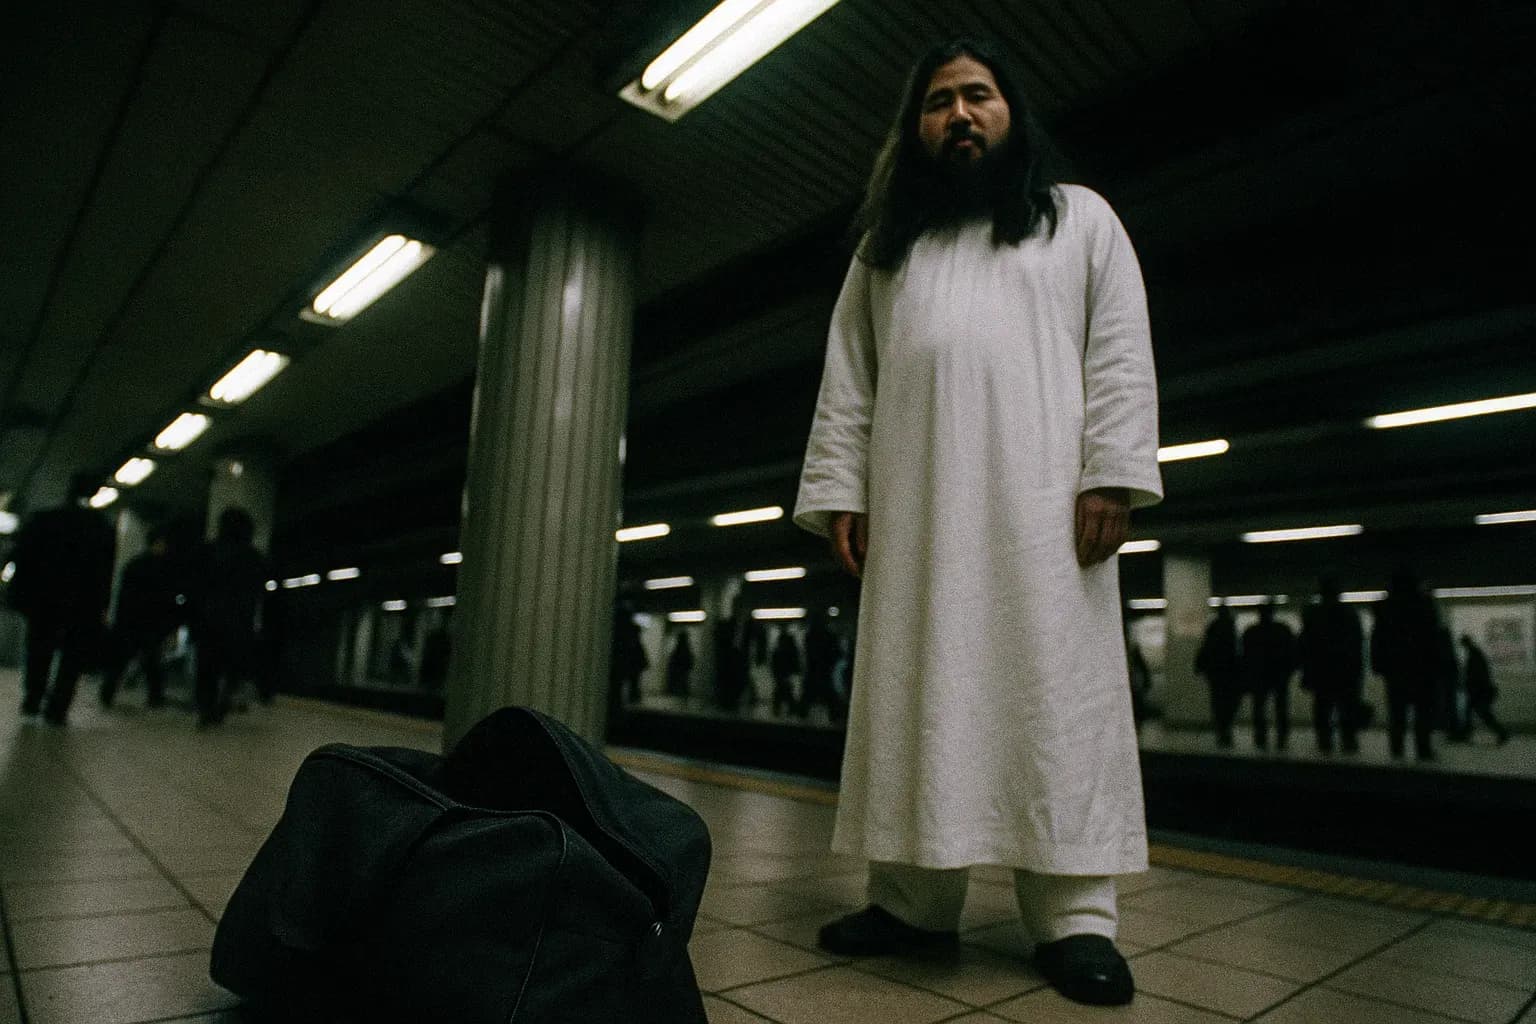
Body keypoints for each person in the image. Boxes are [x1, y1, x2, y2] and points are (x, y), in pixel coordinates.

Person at [793, 39, 1162, 1007]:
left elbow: (1121, 353)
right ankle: (912, 901)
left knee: (1056, 697)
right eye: (939, 101)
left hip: (1047, 517)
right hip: (917, 519)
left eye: (978, 95)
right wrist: (844, 490)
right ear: (916, 129)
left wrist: (1112, 475)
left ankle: (1075, 918)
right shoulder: (887, 252)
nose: (959, 114)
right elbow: (849, 382)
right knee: (920, 694)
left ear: (1012, 113)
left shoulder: (1080, 220)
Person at [5, 472, 115, 724]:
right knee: (72, 657)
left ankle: (33, 698)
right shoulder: (100, 527)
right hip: (82, 603)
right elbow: (103, 573)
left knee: (38, 649)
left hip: (42, 599)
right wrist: (102, 605)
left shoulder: (44, 520)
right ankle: (58, 708)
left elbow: (21, 556)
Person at [187, 508, 269, 727]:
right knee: (232, 668)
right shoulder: (253, 557)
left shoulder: (207, 552)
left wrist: (194, 621)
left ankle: (206, 708)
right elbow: (257, 594)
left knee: (207, 668)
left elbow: (195, 588)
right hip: (238, 622)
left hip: (209, 620)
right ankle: (222, 704)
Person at [99, 524, 185, 709]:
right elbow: (167, 597)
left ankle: (107, 693)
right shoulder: (164, 568)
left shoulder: (134, 565)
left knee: (121, 661)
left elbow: (123, 596)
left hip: (130, 620)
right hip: (151, 621)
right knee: (152, 661)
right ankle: (155, 697)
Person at [1370, 570, 1442, 762]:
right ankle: (1423, 749)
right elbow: (1433, 639)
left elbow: (1378, 639)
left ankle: (1397, 749)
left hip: (1395, 668)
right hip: (1422, 668)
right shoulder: (1424, 606)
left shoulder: (1385, 608)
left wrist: (1378, 664)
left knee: (1397, 712)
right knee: (1423, 711)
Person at [1298, 577, 1365, 754]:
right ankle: (1348, 742)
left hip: (1321, 671)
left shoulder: (1313, 614)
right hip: (1345, 670)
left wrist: (1306, 671)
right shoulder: (1349, 614)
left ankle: (1324, 742)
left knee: (1322, 708)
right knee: (1346, 708)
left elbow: (1306, 645)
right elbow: (1357, 645)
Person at [1240, 602, 1298, 752]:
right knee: (1281, 707)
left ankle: (1261, 737)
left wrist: (1247, 675)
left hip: (1259, 675)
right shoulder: (1282, 630)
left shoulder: (1251, 632)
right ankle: (1282, 737)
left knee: (1259, 707)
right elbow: (1292, 652)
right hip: (1279, 675)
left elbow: (1245, 657)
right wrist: (1289, 671)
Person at [1195, 603, 1241, 748]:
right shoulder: (1231, 628)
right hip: (1230, 672)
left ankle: (1221, 731)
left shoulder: (1213, 627)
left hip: (1215, 673)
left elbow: (1205, 647)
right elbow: (1237, 652)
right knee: (1230, 703)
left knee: (1218, 702)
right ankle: (1226, 730)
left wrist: (1200, 666)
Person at [1459, 634, 1509, 745]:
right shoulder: (1476, 653)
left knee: (1481, 714)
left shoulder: (1473, 655)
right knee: (1477, 713)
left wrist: (1468, 684)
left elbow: (1474, 674)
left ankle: (1501, 733)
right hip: (1480, 690)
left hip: (1478, 690)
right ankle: (1466, 734)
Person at [769, 627, 803, 716]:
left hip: (780, 673)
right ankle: (791, 708)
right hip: (785, 673)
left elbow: (774, 664)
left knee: (781, 691)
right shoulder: (789, 650)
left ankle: (781, 708)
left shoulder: (778, 651)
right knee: (785, 691)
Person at [666, 630, 694, 698]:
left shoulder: (679, 647)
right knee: (684, 680)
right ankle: (683, 693)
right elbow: (689, 658)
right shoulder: (686, 647)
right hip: (683, 668)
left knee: (680, 680)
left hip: (678, 667)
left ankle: (679, 692)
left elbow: (674, 658)